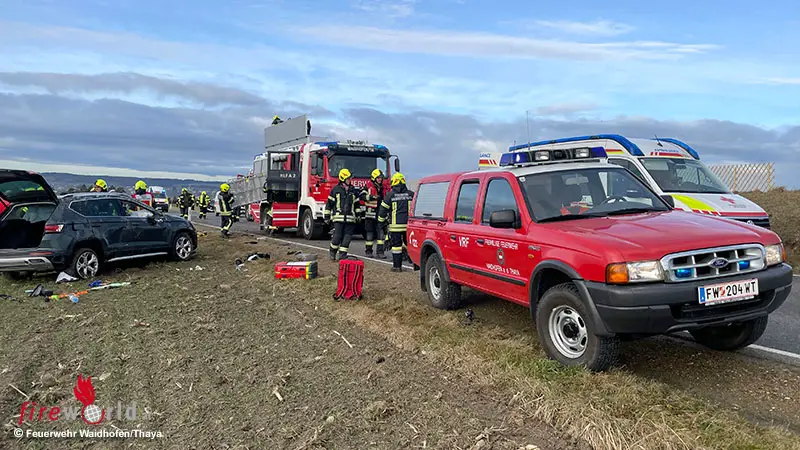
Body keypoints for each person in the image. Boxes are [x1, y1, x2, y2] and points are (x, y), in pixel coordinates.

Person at [324, 168, 364, 260]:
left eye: (350, 178)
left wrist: (358, 215)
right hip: (338, 219)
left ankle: (342, 255)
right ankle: (332, 251)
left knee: (347, 238)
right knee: (337, 237)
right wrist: (327, 217)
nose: (349, 180)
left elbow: (357, 205)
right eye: (348, 179)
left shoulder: (353, 191)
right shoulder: (335, 190)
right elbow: (329, 204)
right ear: (343, 179)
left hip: (350, 219)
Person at [378, 172, 414, 272]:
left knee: (396, 247)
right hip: (409, 226)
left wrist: (381, 223)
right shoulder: (411, 194)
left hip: (395, 227)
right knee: (410, 244)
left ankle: (397, 267)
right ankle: (415, 265)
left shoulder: (390, 195)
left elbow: (382, 211)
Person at [363, 169, 387, 259]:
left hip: (380, 214)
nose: (380, 179)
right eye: (378, 178)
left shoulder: (383, 187)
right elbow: (361, 196)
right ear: (374, 178)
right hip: (370, 215)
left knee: (381, 234)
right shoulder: (368, 186)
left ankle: (380, 252)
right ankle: (368, 251)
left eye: (381, 178)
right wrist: (371, 197)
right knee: (370, 234)